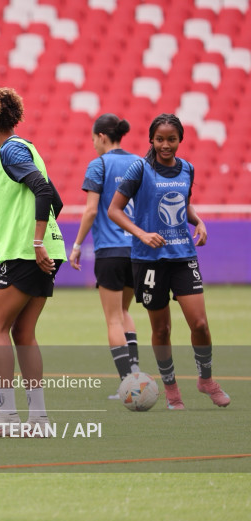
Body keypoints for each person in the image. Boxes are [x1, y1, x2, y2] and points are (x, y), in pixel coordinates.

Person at [108, 113, 230, 410]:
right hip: (148, 261)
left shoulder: (187, 168)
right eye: (160, 139)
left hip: (182, 256)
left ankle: (206, 380)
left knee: (199, 323)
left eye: (171, 139)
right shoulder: (140, 169)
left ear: (180, 141)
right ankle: (172, 389)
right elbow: (115, 210)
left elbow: (183, 203)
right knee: (161, 330)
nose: (165, 145)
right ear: (152, 139)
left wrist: (198, 221)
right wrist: (141, 233)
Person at [0, 87, 65, 437]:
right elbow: (56, 199)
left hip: (27, 253)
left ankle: (9, 416)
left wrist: (36, 241)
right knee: (23, 331)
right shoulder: (29, 149)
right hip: (44, 254)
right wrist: (45, 241)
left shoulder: (9, 151)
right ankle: (39, 420)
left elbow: (43, 192)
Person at [68, 114, 143, 398]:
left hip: (110, 251)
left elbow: (90, 211)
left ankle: (129, 385)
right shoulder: (139, 163)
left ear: (101, 136)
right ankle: (136, 374)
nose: (93, 146)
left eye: (93, 140)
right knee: (125, 312)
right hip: (137, 251)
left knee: (113, 319)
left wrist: (76, 245)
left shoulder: (98, 164)